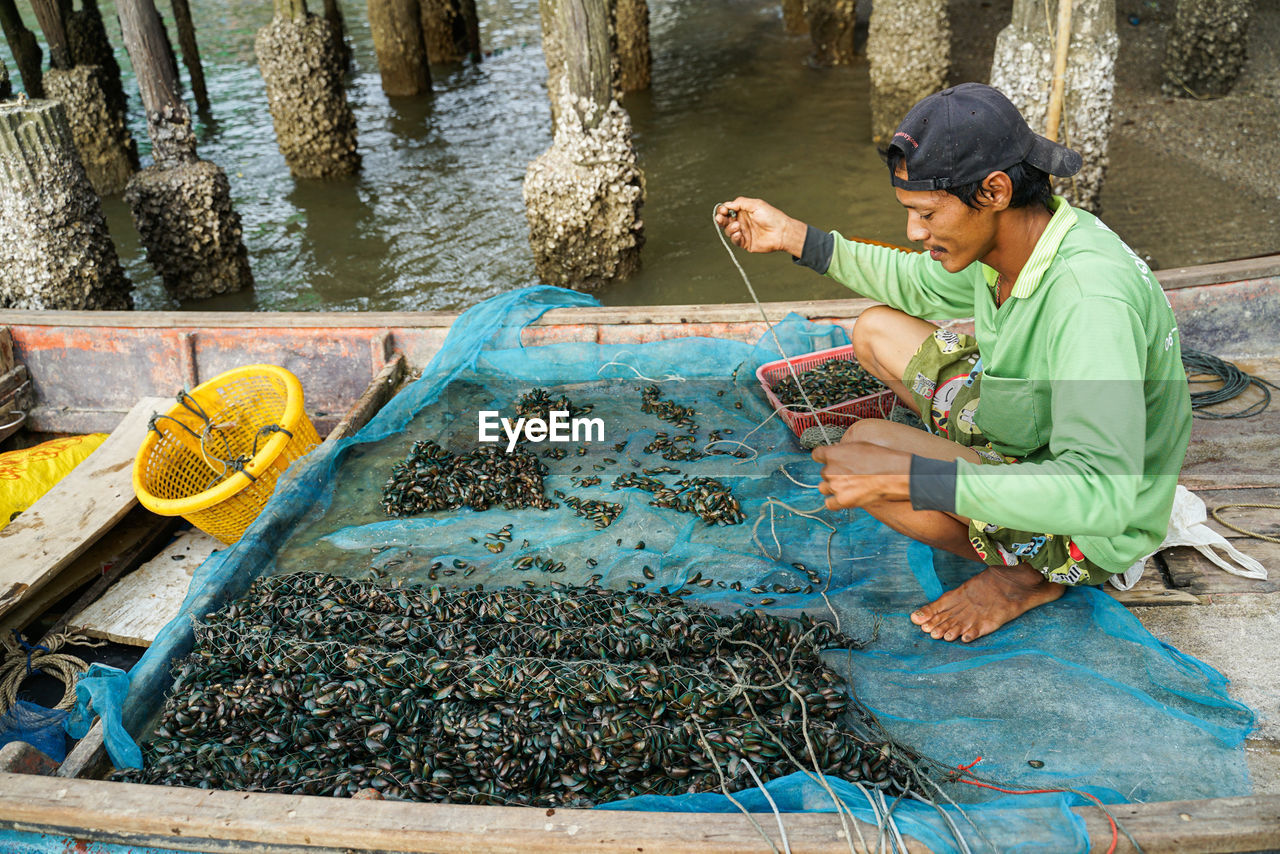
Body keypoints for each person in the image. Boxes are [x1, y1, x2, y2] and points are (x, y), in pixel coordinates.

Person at [715, 83, 1189, 643]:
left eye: (927, 213)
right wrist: (795, 237)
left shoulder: (1089, 302)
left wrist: (915, 478)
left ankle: (1026, 576)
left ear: (993, 190)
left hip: (1094, 520)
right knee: (876, 331)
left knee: (877, 468)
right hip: (1029, 421)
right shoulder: (1020, 237)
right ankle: (979, 480)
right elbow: (914, 283)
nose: (915, 232)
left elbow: (1102, 496)